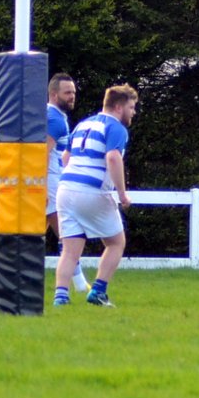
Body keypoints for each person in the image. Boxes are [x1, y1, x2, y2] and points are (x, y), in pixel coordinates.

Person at [53, 84, 138, 307]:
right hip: (91, 190)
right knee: (116, 243)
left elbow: (65, 158)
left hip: (65, 189)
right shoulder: (116, 128)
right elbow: (113, 158)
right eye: (131, 107)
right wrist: (122, 194)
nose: (133, 112)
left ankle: (60, 297)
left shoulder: (83, 124)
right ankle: (98, 291)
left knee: (70, 250)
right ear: (118, 107)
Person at [46, 73, 90, 293]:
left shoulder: (54, 115)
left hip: (53, 183)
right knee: (69, 233)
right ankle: (79, 286)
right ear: (54, 95)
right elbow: (42, 154)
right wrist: (41, 187)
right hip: (51, 184)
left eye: (73, 92)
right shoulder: (54, 119)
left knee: (59, 233)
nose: (72, 96)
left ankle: (79, 284)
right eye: (67, 93)